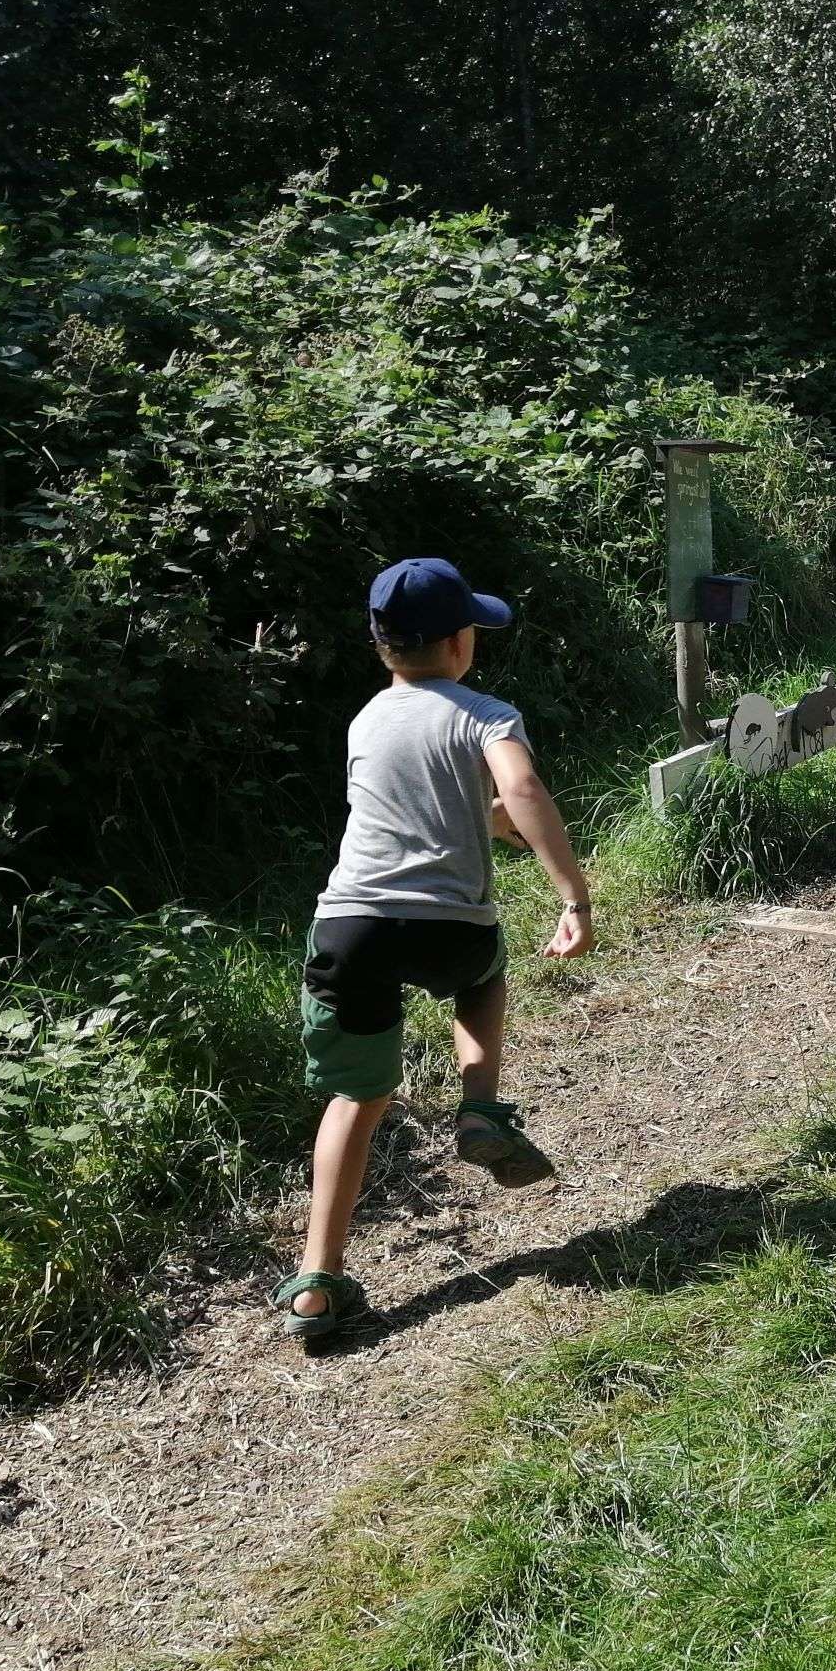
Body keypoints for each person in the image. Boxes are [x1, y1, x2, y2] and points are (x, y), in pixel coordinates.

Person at [275, 557, 594, 1341]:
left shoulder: (366, 720)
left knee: (354, 1096)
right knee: (482, 976)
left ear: (382, 644)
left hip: (351, 926)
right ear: (460, 642)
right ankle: (481, 1108)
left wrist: (485, 821)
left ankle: (317, 1281)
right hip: (450, 929)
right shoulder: (484, 713)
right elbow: (518, 791)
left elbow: (411, 813)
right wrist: (572, 895)